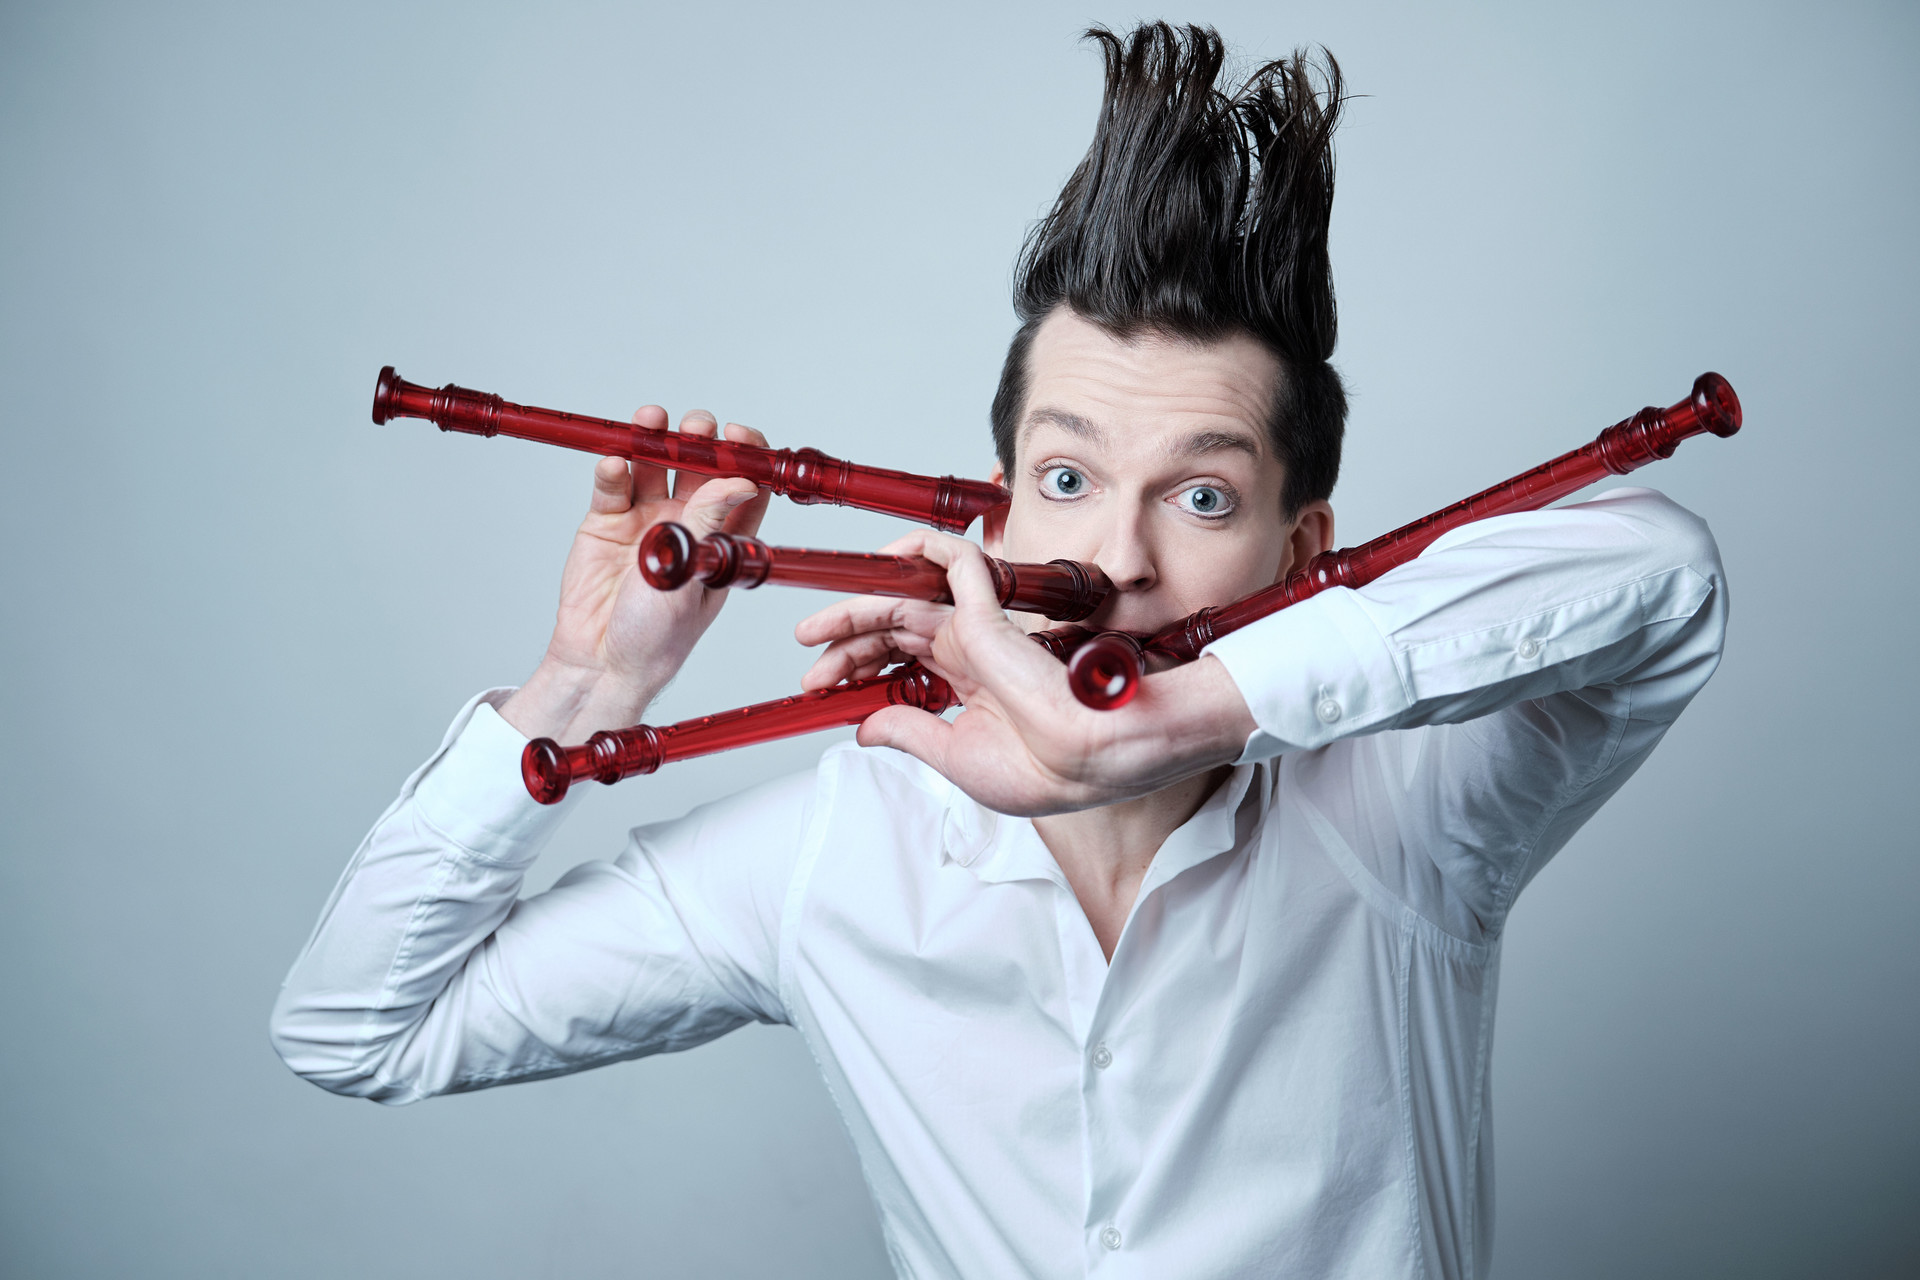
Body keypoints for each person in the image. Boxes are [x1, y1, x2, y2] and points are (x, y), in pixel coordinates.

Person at [271, 23, 1726, 1280]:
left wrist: (1182, 720)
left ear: (1303, 550)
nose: (1120, 560)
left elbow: (1662, 574)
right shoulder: (836, 855)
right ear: (997, 507)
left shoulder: (1415, 811)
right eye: (1070, 478)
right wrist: (586, 688)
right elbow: (358, 1031)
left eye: (1203, 498)